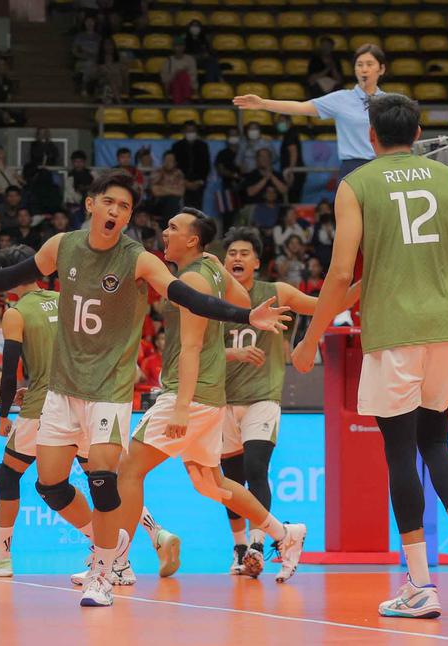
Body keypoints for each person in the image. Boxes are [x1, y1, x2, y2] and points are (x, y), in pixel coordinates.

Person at [0, 175, 289, 607]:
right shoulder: (63, 246)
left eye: (125, 207)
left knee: (104, 475)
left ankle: (105, 572)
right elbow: (11, 275)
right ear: (91, 205)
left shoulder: (138, 259)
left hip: (109, 388)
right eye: (110, 202)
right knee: (50, 483)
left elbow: (188, 296)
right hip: (63, 387)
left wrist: (246, 316)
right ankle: (123, 547)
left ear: (129, 218)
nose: (116, 211)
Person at [292, 94, 448, 618]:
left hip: (393, 334)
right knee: (437, 442)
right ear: (418, 132)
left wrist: (311, 338)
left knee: (400, 453)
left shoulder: (356, 184)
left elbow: (342, 273)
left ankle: (421, 584)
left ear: (371, 136)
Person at [0, 245, 181, 580]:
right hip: (83, 398)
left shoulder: (16, 313)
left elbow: (8, 372)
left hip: (45, 406)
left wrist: (4, 414)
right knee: (102, 478)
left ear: (9, 277)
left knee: (10, 475)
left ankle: (3, 555)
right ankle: (153, 534)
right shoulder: (65, 300)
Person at [115, 209, 308, 593]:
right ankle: (283, 533)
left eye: (173, 227)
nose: (165, 231)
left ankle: (115, 564)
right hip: (212, 397)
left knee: (128, 470)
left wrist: (181, 406)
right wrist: (220, 269)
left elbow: (190, 347)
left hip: (189, 394)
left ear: (192, 240)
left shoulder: (191, 278)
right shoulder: (209, 271)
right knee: (211, 482)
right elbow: (241, 299)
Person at [220, 227, 357, 575]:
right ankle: (239, 547)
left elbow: (326, 305)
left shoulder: (275, 292)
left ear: (257, 262)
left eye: (244, 253)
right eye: (232, 253)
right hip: (222, 400)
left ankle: (257, 545)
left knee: (255, 469)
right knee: (230, 480)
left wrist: (362, 283)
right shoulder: (213, 298)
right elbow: (199, 351)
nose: (237, 258)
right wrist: (232, 354)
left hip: (261, 397)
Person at [235, 44, 389, 178]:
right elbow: (300, 107)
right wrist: (263, 104)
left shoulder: (391, 102)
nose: (364, 69)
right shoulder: (341, 99)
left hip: (384, 167)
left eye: (369, 64)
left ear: (381, 69)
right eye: (359, 64)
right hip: (353, 168)